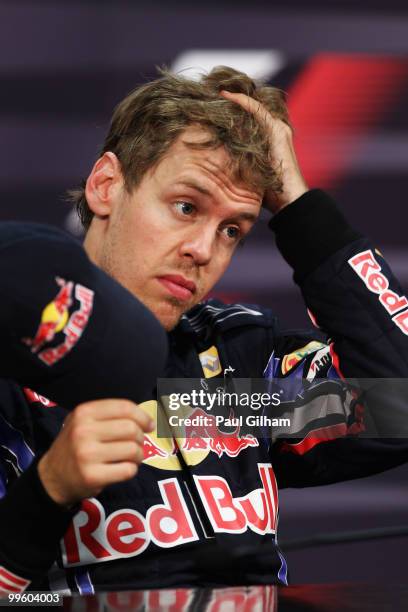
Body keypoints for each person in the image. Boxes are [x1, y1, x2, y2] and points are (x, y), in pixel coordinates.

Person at [0, 66, 407, 595]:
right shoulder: (12, 368)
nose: (203, 250)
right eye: (185, 207)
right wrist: (49, 490)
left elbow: (397, 407)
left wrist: (299, 206)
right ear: (106, 186)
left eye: (232, 229)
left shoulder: (237, 364)